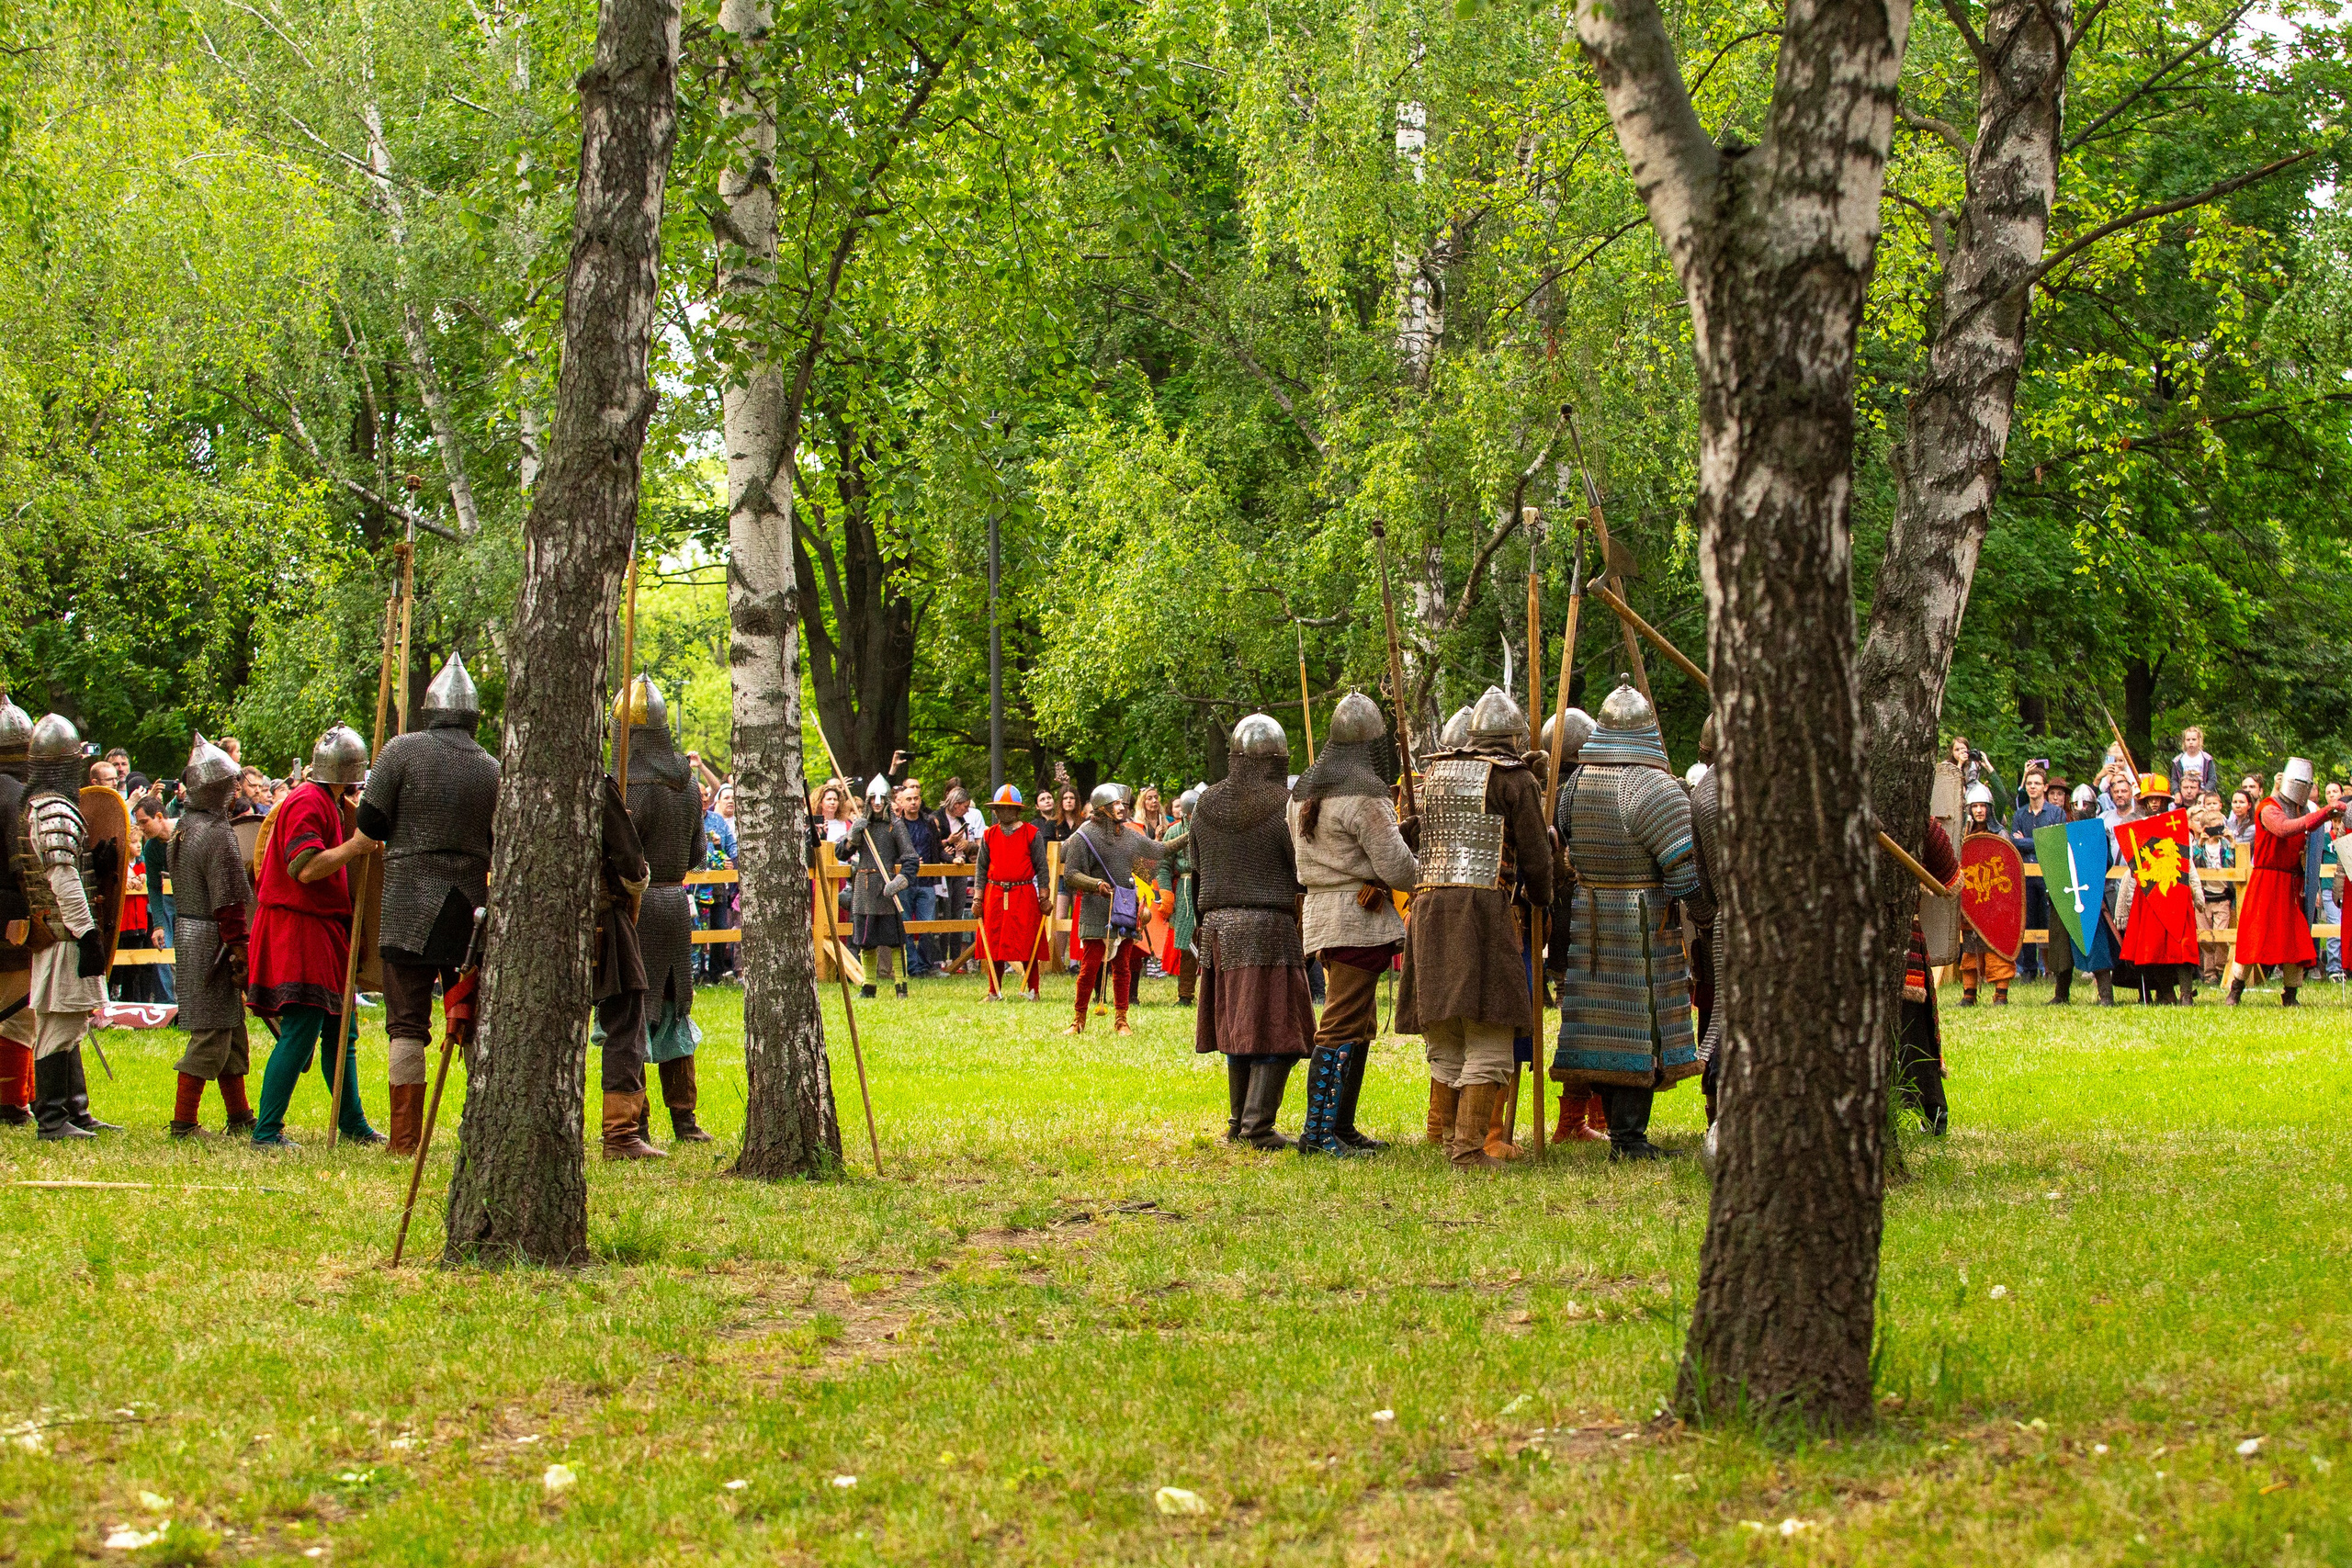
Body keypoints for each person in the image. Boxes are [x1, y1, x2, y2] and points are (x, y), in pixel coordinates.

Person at [349, 653, 500, 1155]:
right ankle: (482, 1131)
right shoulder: (491, 767)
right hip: (468, 909)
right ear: (472, 716)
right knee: (471, 1019)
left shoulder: (400, 751)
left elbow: (370, 824)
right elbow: (499, 840)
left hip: (409, 901)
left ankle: (405, 1140)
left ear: (430, 710)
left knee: (406, 1024)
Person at [1544, 683, 1689, 1162]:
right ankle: (1628, 1138)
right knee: (1636, 1026)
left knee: (1602, 1024)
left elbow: (1563, 838)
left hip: (1589, 913)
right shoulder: (1654, 787)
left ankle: (1622, 1134)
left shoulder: (1576, 784)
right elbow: (1683, 868)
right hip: (1640, 920)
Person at [1288, 693, 1420, 1156]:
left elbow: (1342, 851)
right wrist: (1418, 860)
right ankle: (1318, 1134)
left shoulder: (1304, 791)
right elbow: (1398, 869)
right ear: (1373, 744)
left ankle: (1341, 1126)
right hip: (1356, 919)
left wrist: (1397, 836)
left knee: (1359, 1024)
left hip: (1324, 915)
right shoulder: (1366, 795)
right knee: (1342, 1025)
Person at [246, 725, 382, 1148]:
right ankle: (266, 1132)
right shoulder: (307, 800)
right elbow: (304, 868)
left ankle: (352, 1123)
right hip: (299, 926)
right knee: (302, 1028)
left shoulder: (332, 802)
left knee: (342, 1033)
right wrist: (354, 847)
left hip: (324, 927)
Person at [1183, 716, 1313, 1147]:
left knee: (1240, 1028)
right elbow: (1302, 868)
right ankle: (1256, 1127)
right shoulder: (1283, 804)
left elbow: (1197, 873)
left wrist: (1202, 925)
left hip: (1217, 928)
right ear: (1278, 759)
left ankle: (1239, 1122)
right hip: (1267, 927)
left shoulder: (1206, 804)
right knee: (1279, 1028)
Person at [5, 711, 123, 1138]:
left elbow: (70, 868)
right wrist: (87, 933)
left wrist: (97, 862)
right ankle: (53, 1118)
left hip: (56, 930)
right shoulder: (54, 809)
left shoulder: (39, 805)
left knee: (71, 1020)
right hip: (64, 931)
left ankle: (74, 1111)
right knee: (60, 1022)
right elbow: (64, 881)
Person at [609, 676, 711, 1144]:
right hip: (675, 905)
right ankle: (685, 1121)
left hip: (638, 907)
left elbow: (619, 855)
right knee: (674, 1012)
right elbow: (696, 855)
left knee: (634, 1014)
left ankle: (638, 1123)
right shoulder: (688, 786)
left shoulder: (630, 786)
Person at [164, 736, 255, 1136]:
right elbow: (229, 902)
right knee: (212, 1035)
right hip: (212, 939)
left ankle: (240, 1116)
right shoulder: (217, 833)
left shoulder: (184, 827)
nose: (236, 791)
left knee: (230, 1031)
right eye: (231, 784)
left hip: (191, 933)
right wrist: (241, 949)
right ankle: (184, 1121)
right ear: (217, 789)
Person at [594, 749, 662, 1161]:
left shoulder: (516, 777)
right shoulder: (595, 784)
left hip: (533, 923)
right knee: (625, 1020)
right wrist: (635, 887)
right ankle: (620, 1136)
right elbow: (631, 861)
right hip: (601, 919)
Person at [2229, 759, 2342, 1006]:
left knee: (2295, 939)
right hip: (2266, 880)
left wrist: (2325, 815)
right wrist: (2323, 813)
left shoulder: (2302, 811)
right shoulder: (2268, 808)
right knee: (2254, 936)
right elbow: (2283, 828)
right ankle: (2235, 990)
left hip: (2292, 883)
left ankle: (2290, 995)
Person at [1058, 782, 1161, 1035]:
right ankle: (1078, 1019)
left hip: (1123, 907)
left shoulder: (1129, 835)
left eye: (1122, 803)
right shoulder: (1084, 835)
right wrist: (1095, 884)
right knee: (1089, 967)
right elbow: (1071, 874)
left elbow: (1159, 850)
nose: (1122, 808)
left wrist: (1189, 835)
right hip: (1096, 907)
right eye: (1116, 804)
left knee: (1123, 967)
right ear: (1103, 807)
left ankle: (1121, 1020)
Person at [2112, 773, 2203, 1004]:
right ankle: (2166, 993)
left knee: (2181, 946)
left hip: (2176, 890)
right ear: (2144, 801)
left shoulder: (2177, 825)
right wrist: (2125, 904)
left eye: (2159, 798)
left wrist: (2196, 889)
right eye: (2150, 798)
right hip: (2149, 894)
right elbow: (2134, 867)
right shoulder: (2136, 829)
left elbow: (2187, 862)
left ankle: (2186, 995)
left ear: (2166, 801)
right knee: (2154, 948)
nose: (2154, 802)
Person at [1896, 813, 1960, 1134]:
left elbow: (1950, 879)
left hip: (1902, 941)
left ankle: (1934, 1115)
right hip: (1874, 943)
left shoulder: (1917, 818)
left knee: (1914, 1033)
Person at [846, 776, 917, 999]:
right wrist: (853, 835)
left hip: (886, 888)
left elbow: (911, 859)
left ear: (887, 800)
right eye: (872, 799)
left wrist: (899, 881)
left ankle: (901, 986)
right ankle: (868, 987)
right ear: (868, 800)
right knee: (865, 942)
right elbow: (842, 852)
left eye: (880, 799)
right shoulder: (862, 825)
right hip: (864, 889)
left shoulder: (895, 825)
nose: (877, 803)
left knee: (895, 941)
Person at [975, 785, 1048, 998]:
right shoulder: (989, 835)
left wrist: (1044, 896)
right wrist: (978, 898)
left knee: (1027, 941)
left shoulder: (1032, 834)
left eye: (1008, 807)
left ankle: (1033, 990)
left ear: (1017, 810)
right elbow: (981, 868)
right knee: (994, 942)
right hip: (994, 894)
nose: (1004, 812)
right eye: (1000, 808)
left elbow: (1042, 867)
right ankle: (994, 991)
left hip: (1023, 894)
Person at [0, 692, 32, 1126]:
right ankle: (11, 1102)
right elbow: (26, 869)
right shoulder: (19, 797)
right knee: (18, 1012)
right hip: (11, 917)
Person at [1957, 784, 2017, 1005]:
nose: (1979, 810)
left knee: (1997, 948)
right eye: (1975, 806)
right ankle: (1969, 994)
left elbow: (2009, 868)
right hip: (1972, 898)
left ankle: (2001, 994)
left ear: (1990, 808)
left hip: (1995, 901)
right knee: (1970, 949)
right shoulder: (1964, 835)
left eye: (1983, 806)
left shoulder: (2000, 834)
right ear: (1969, 809)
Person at [2008, 764, 2062, 982]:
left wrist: (2028, 841)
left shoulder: (2056, 813)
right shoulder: (2019, 814)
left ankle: (2053, 968)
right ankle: (2029, 969)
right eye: (2029, 783)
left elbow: (2057, 843)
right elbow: (2015, 843)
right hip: (2026, 875)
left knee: (2050, 921)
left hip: (2050, 873)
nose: (2032, 787)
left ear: (2045, 787)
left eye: (2037, 783)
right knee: (2027, 920)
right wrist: (2041, 840)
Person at [2188, 797, 2237, 987]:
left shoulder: (2225, 847)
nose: (2217, 831)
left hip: (2222, 897)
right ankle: (2208, 973)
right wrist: (2201, 843)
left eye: (2220, 827)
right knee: (2204, 937)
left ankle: (2221, 968)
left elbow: (2232, 864)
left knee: (2221, 935)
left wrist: (2231, 843)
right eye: (2213, 828)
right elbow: (2194, 864)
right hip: (2204, 897)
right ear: (2204, 828)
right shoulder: (2197, 847)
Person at [1162, 785, 1203, 1006]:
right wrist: (1166, 892)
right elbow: (1163, 865)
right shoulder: (1174, 831)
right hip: (1186, 889)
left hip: (1206, 886)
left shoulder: (1212, 830)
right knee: (1187, 943)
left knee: (1210, 940)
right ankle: (1185, 994)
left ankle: (1212, 993)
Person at [2170, 727, 2219, 801]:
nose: (2191, 742)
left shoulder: (2207, 759)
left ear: (2199, 740)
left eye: (2194, 739)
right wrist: (2177, 792)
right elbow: (2174, 780)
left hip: (2203, 794)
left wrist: (2204, 792)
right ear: (2184, 742)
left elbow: (2212, 779)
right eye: (2188, 740)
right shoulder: (2178, 761)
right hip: (2184, 795)